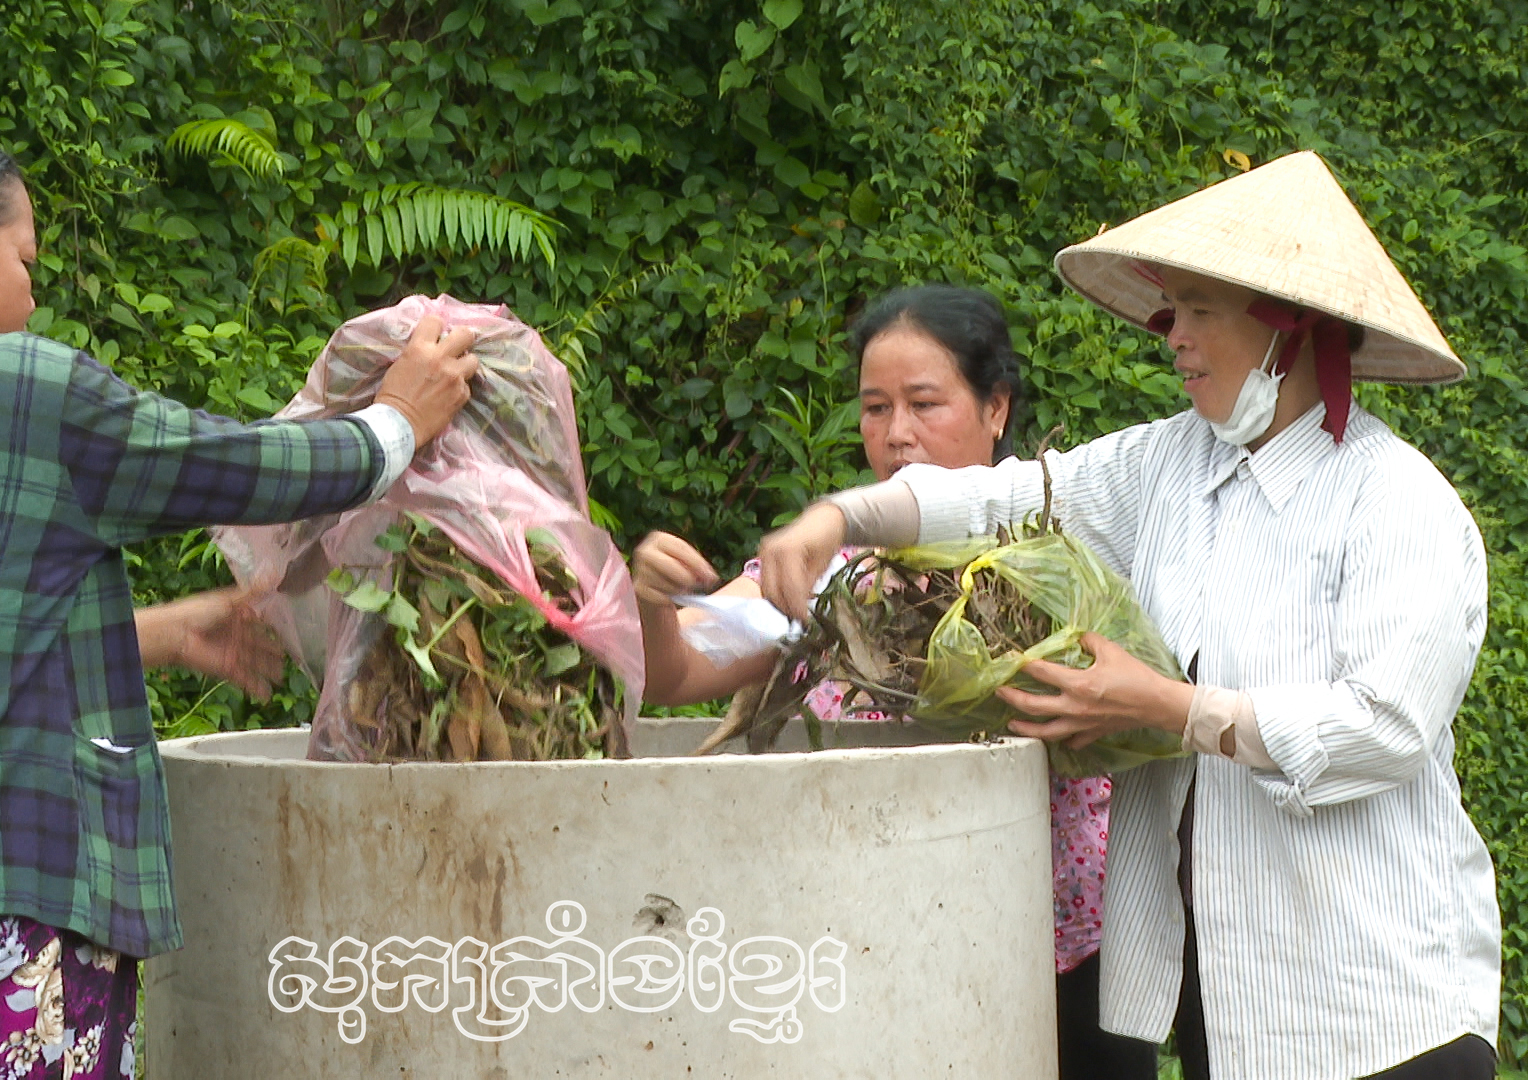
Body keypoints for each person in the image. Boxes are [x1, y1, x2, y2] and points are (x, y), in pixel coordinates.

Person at [0, 117, 479, 1079]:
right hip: (6, 961)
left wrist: (169, 633)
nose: (33, 296)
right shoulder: (18, 388)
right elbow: (233, 467)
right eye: (26, 259)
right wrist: (397, 421)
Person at [757, 152, 1499, 1079]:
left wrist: (1168, 708)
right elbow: (1007, 498)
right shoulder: (1167, 469)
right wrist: (843, 516)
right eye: (1170, 309)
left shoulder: (1396, 503)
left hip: (1373, 1006)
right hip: (1226, 1001)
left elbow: (1385, 726)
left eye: (1197, 308)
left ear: (1291, 328)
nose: (1173, 336)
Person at [633, 284, 1155, 1078]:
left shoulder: (1066, 569)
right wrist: (648, 605)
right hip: (876, 952)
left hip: (1062, 959)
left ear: (997, 408)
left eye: (924, 403)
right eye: (875, 408)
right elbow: (672, 673)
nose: (897, 434)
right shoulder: (830, 579)